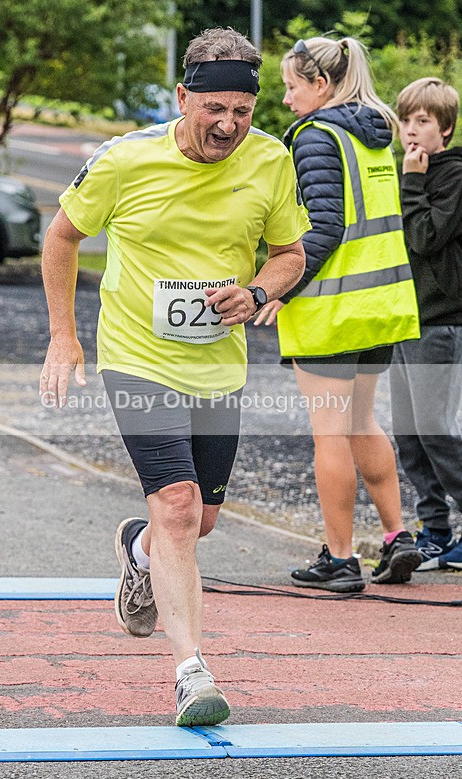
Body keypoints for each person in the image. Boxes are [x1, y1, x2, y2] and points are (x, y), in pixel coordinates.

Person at [39, 27, 310, 726]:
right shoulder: (125, 160)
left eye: (242, 113)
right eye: (213, 108)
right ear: (183, 97)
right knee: (180, 505)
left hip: (217, 367)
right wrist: (64, 335)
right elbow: (63, 236)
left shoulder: (270, 161)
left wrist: (255, 291)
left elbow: (289, 253)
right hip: (135, 357)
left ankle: (137, 547)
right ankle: (191, 670)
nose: (226, 125)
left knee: (201, 522)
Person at [255, 36, 422, 591]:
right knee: (360, 422)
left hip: (330, 307)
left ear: (320, 86)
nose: (285, 99)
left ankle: (342, 558)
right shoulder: (374, 135)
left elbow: (323, 228)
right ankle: (398, 536)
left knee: (329, 431)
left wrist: (280, 286)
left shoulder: (316, 136)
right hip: (380, 306)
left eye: (291, 86)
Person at [390, 77, 462, 571]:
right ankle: (435, 528)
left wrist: (413, 183)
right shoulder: (401, 171)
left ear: (446, 130)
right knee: (408, 435)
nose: (411, 131)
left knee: (436, 430)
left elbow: (425, 236)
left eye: (423, 122)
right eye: (406, 120)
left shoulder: (452, 176)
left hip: (440, 320)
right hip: (404, 319)